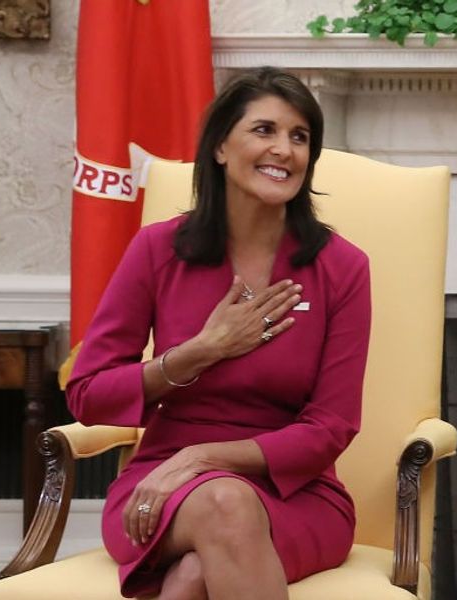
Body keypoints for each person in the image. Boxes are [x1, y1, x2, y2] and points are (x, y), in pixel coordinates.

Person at [66, 67, 371, 600]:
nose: (285, 149)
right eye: (264, 130)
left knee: (198, 565)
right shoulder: (157, 251)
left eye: (300, 137)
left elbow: (331, 428)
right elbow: (87, 393)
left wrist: (204, 458)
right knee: (223, 506)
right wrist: (197, 354)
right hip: (163, 487)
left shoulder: (342, 267)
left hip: (297, 495)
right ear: (221, 148)